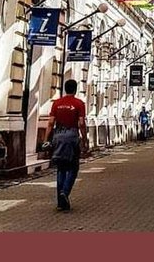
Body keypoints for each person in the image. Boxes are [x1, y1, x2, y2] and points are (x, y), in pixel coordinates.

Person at [43, 79, 88, 212]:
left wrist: (47, 139)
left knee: (61, 168)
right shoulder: (79, 103)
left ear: (65, 89)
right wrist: (84, 139)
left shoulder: (57, 103)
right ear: (75, 89)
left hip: (58, 135)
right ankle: (65, 192)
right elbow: (81, 123)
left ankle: (60, 203)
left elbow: (50, 123)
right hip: (71, 136)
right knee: (73, 168)